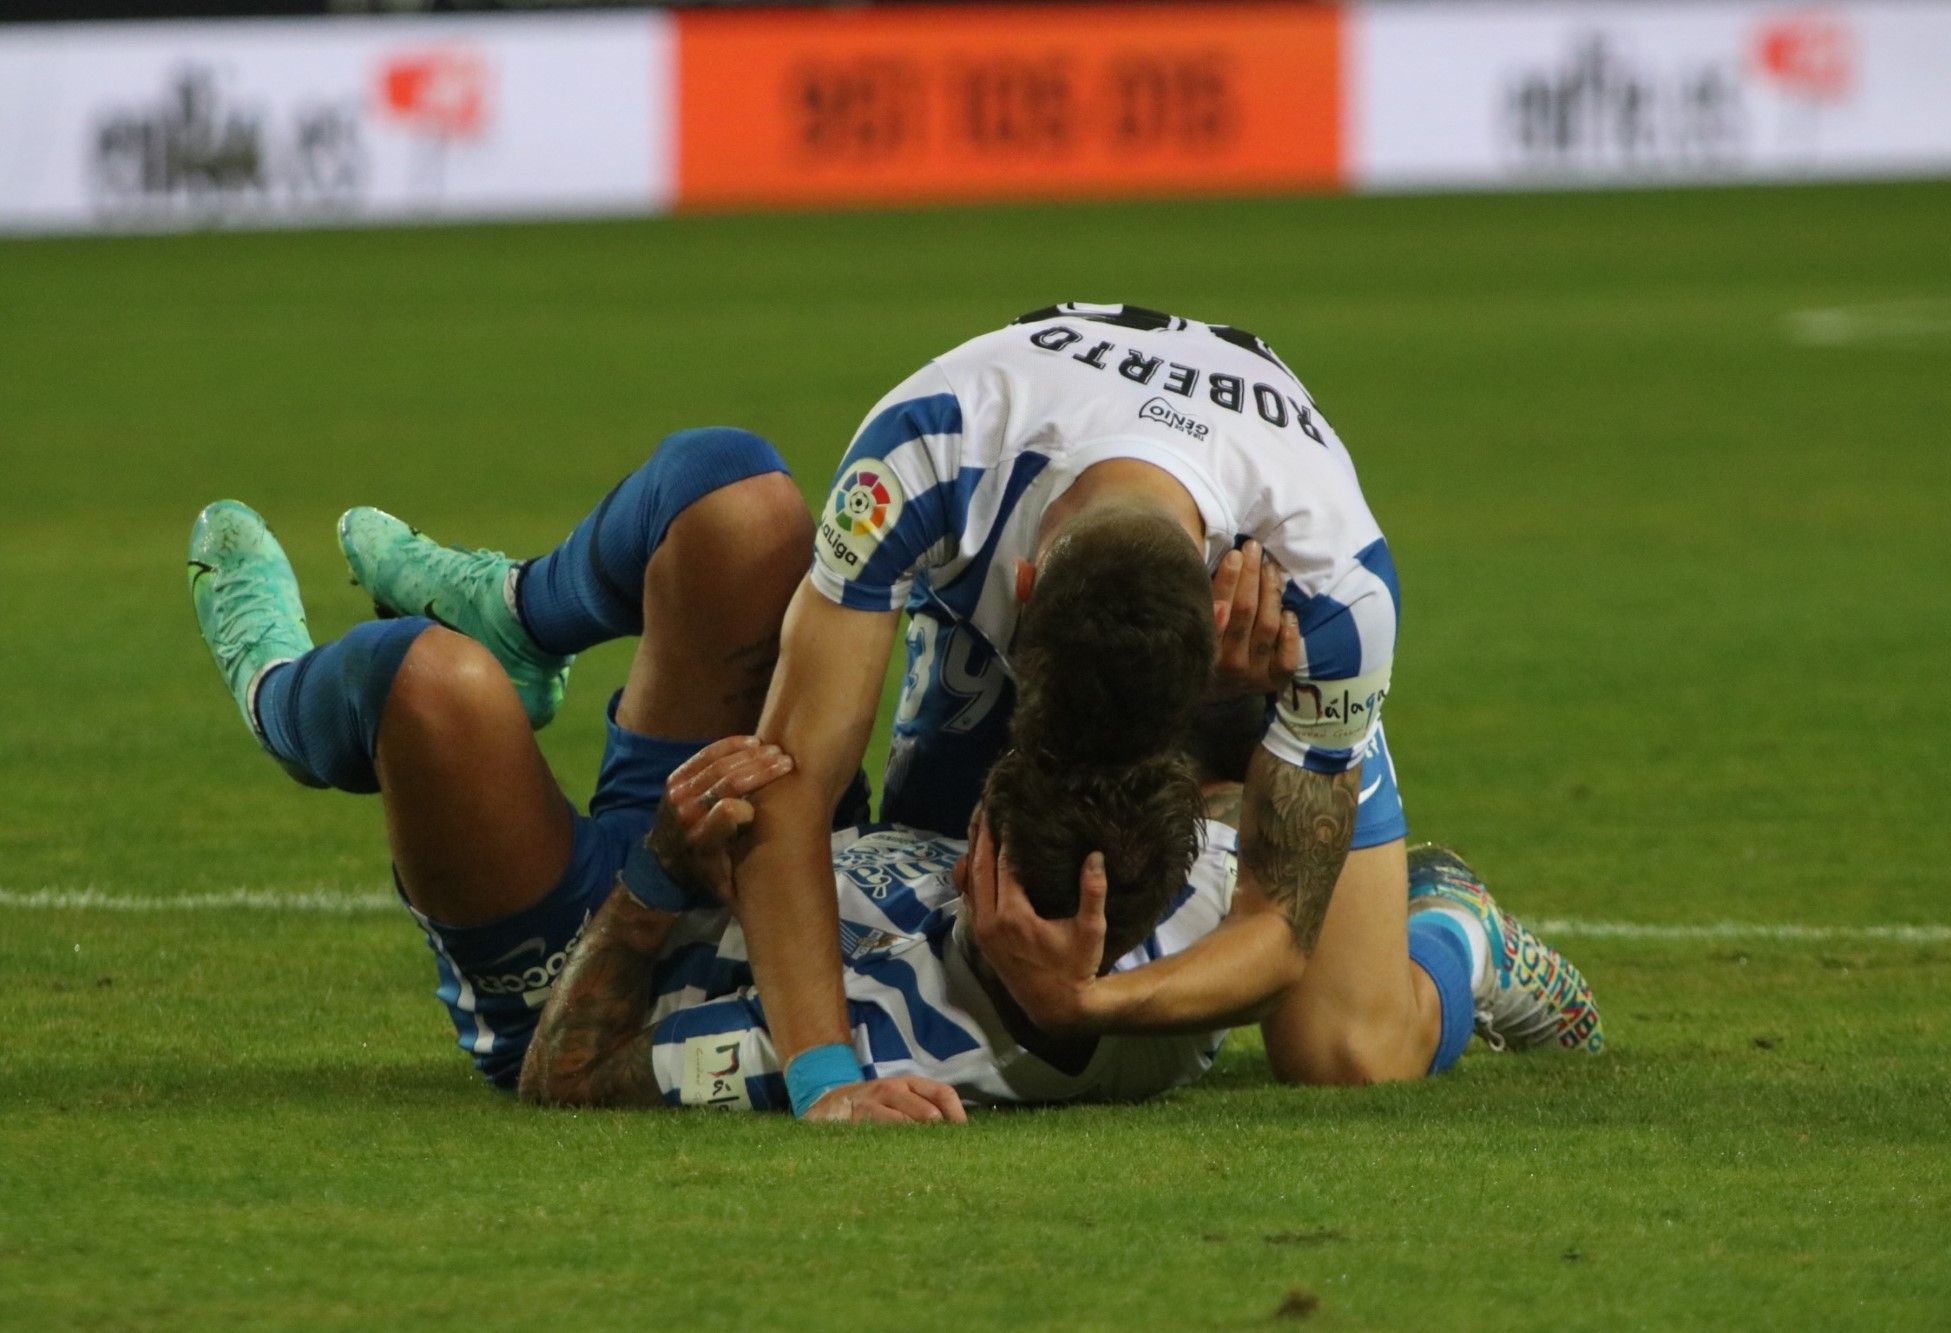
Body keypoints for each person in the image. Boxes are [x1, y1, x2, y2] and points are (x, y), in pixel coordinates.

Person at [593, 302, 1602, 1117]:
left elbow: (1279, 928)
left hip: (1239, 676)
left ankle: (1455, 929)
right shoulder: (929, 449)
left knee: (1349, 1054)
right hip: (1015, 596)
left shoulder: (1328, 586)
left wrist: (1087, 1003)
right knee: (959, 858)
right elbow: (790, 780)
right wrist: (826, 1080)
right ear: (1018, 586)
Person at [181, 430, 1236, 1117]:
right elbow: (1346, 906)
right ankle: (518, 613)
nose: (962, 848)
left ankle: (273, 688)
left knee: (430, 685)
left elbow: (573, 1070)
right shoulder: (1184, 913)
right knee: (739, 498)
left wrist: (656, 878)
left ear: (993, 890)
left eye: (978, 846)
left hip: (606, 945)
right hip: (772, 830)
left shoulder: (894, 1042)